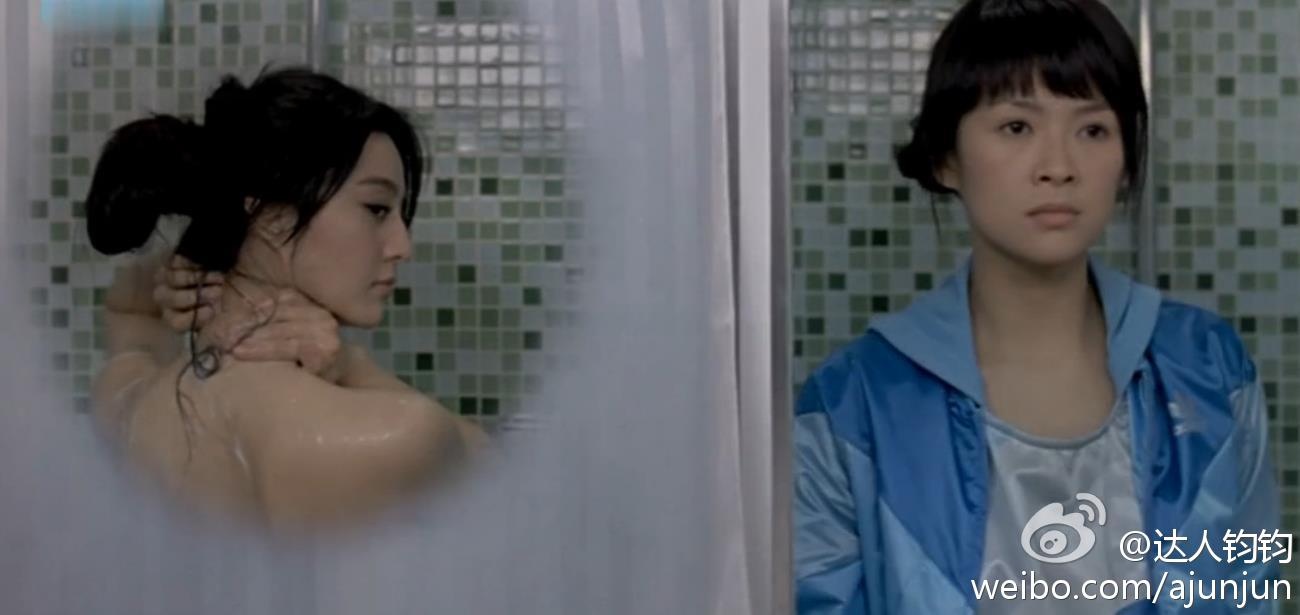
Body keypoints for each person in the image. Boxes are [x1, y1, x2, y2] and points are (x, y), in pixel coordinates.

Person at [793, 1, 1280, 613]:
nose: (1058, 168)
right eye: (1017, 127)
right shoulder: (853, 407)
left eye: (1092, 130)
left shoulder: (1209, 368)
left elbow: (1248, 591)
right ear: (946, 157)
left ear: (1125, 159)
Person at [89, 66, 484, 529]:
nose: (402, 245)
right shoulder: (399, 438)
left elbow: (128, 315)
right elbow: (507, 489)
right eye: (376, 209)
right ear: (271, 217)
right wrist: (353, 368)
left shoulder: (125, 404)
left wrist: (184, 269)